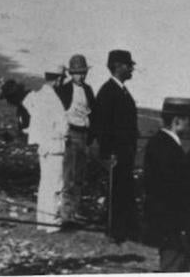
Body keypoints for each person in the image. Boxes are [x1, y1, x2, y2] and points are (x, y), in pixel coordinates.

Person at [93, 48, 139, 243]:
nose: (132, 69)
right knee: (116, 191)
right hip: (116, 154)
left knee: (123, 190)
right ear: (118, 66)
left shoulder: (121, 90)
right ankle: (114, 231)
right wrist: (108, 152)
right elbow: (102, 125)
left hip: (125, 152)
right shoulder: (108, 92)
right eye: (129, 66)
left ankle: (123, 229)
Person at [142, 97, 190, 272]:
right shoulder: (167, 148)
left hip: (170, 226)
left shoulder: (160, 143)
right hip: (173, 228)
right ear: (177, 121)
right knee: (173, 267)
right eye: (188, 120)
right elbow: (176, 188)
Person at [22, 72, 69, 231]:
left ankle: (42, 219)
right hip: (55, 144)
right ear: (58, 79)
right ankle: (52, 221)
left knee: (45, 184)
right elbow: (62, 125)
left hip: (44, 145)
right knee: (56, 184)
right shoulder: (53, 99)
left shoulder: (38, 95)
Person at [53, 53, 95, 224]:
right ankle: (65, 212)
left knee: (79, 175)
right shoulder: (64, 90)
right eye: (78, 72)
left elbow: (93, 111)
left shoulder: (88, 89)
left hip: (84, 135)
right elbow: (57, 113)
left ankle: (75, 210)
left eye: (83, 72)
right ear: (71, 73)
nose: (81, 75)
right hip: (70, 134)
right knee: (68, 176)